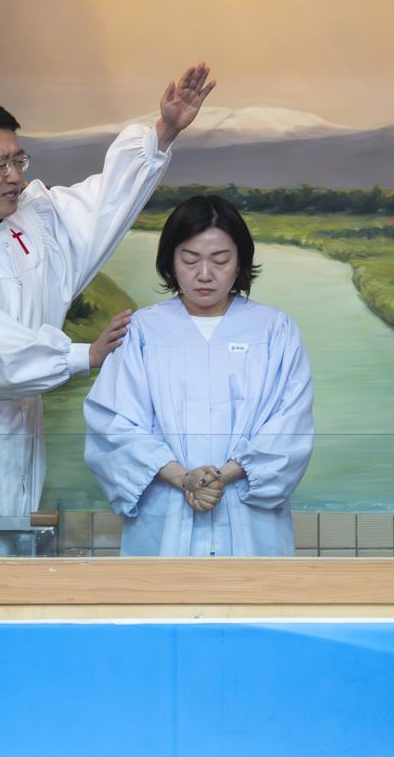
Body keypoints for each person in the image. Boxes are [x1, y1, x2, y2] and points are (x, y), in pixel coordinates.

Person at [0, 65, 217, 556]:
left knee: (8, 561)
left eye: (18, 160)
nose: (15, 175)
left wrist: (164, 131)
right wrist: (83, 355)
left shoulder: (31, 223)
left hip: (16, 424)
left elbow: (102, 205)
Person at [83, 195, 314, 556]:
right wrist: (184, 478)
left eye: (220, 261)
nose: (204, 274)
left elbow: (290, 424)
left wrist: (221, 477)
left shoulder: (274, 330)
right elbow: (114, 424)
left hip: (247, 512)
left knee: (251, 592)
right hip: (165, 511)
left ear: (240, 262)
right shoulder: (142, 331)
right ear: (170, 262)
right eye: (189, 260)